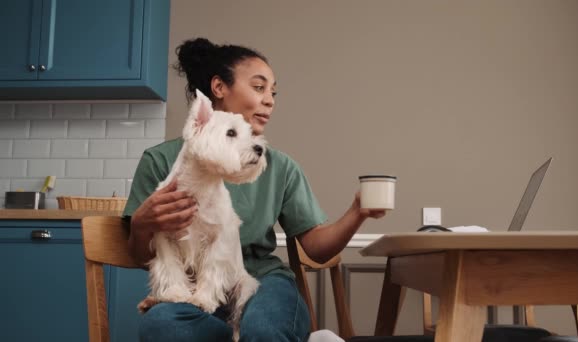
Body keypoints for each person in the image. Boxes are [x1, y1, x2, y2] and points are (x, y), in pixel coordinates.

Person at [123, 37, 386, 342]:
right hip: (192, 292)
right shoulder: (160, 161)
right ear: (220, 87)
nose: (270, 100)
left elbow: (315, 247)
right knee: (163, 327)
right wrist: (142, 225)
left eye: (273, 92)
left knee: (263, 328)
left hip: (262, 281)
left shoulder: (280, 166)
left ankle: (244, 332)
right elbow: (140, 255)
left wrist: (357, 213)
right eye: (259, 88)